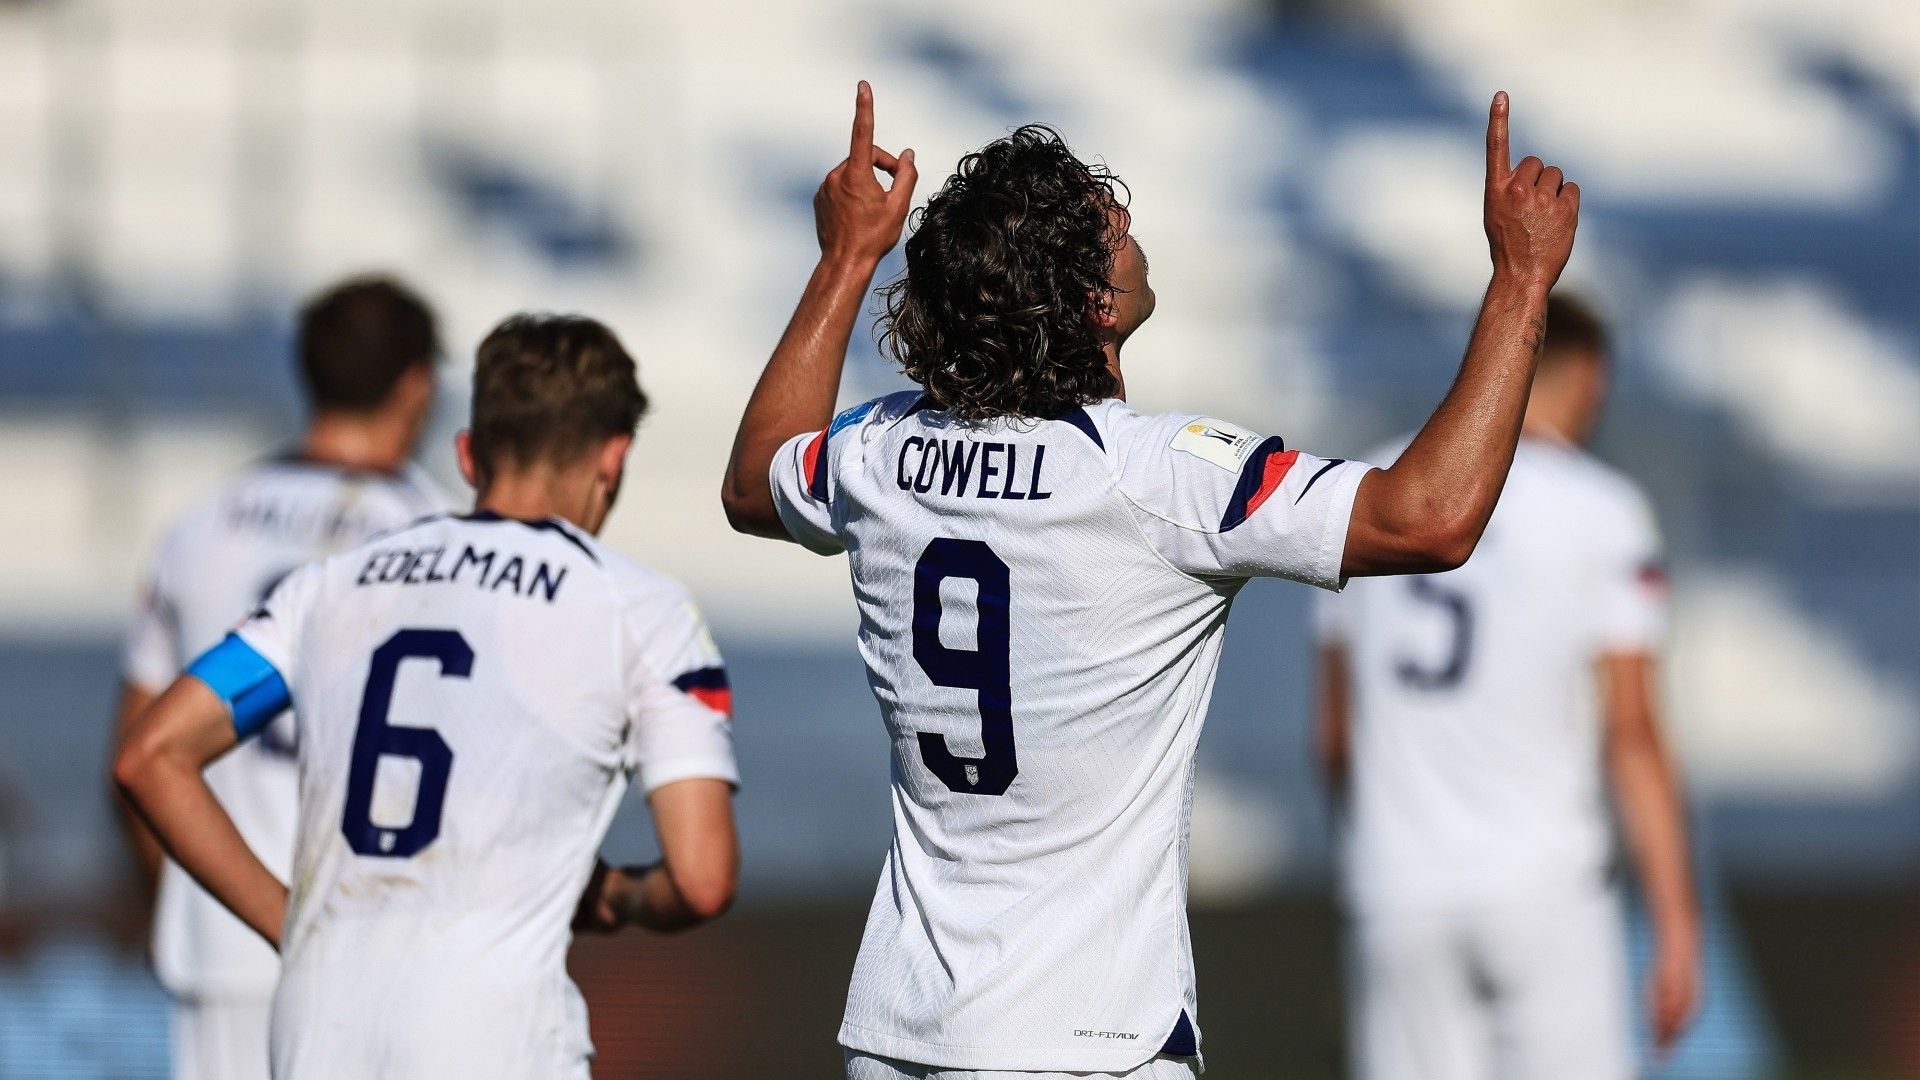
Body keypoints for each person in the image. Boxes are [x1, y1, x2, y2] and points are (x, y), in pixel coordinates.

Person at [721, 83, 1579, 1078]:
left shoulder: (878, 452)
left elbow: (755, 480)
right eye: (1104, 223)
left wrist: (842, 259)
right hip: (1085, 1040)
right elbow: (1429, 520)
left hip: (901, 1030)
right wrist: (1521, 280)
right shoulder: (1154, 474)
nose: (1126, 222)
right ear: (1093, 301)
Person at [115, 314, 741, 1078]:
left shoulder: (333, 584)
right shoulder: (641, 610)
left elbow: (151, 755)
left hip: (318, 1028)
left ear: (469, 454)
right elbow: (704, 879)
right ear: (614, 458)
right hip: (495, 1037)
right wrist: (623, 894)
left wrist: (293, 926)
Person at [1313, 294, 1701, 1080]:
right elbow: (1631, 733)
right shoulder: (1604, 509)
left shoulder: (1368, 490)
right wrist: (1676, 923)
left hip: (1401, 883)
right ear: (1587, 375)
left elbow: (1335, 739)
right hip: (1544, 885)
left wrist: (1386, 843)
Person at [114, 275, 447, 1080]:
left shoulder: (200, 527)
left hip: (224, 946)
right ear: (417, 385)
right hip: (384, 950)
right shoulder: (441, 534)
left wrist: (201, 902)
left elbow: (135, 750)